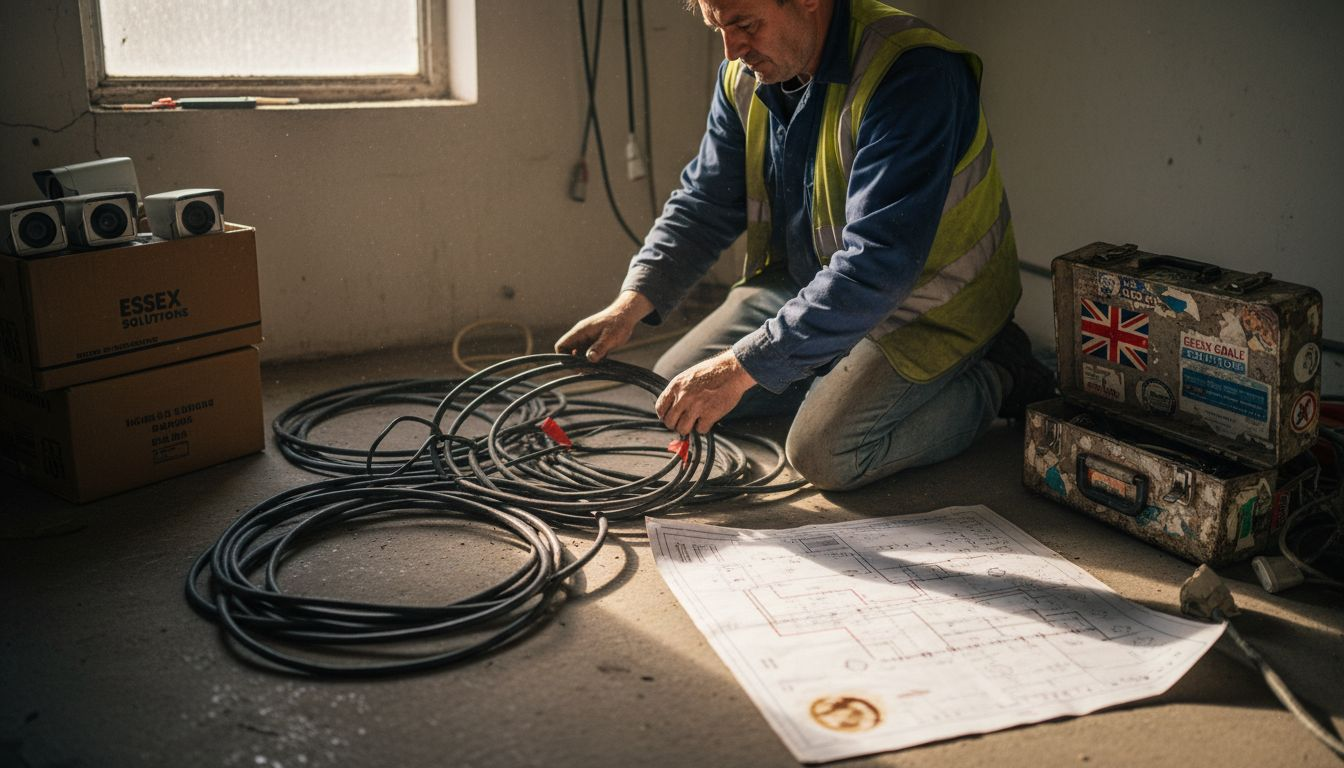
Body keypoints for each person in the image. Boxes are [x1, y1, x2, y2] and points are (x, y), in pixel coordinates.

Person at [556, 0, 1054, 490]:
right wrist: (631, 302)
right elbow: (707, 200)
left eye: (745, 24)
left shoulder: (912, 72)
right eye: (718, 27)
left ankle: (999, 374)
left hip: (929, 304)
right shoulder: (745, 74)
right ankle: (826, 362)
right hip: (814, 282)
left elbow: (878, 265)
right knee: (677, 385)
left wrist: (742, 365)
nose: (731, 50)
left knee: (825, 453)